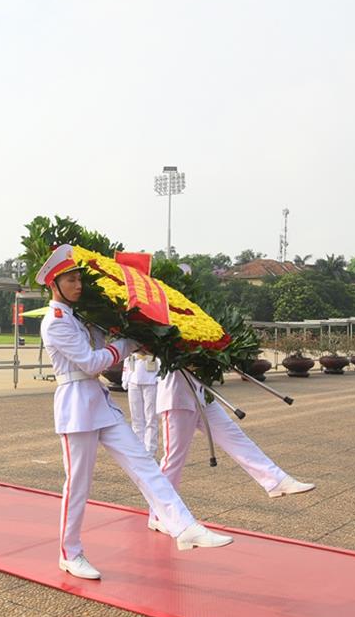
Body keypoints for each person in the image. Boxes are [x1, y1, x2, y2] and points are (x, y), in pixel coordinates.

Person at [37, 245, 231, 581]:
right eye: (70, 280)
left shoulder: (80, 316)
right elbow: (92, 362)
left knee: (143, 463)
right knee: (78, 485)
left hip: (99, 403)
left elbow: (102, 345)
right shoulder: (55, 323)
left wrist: (129, 327)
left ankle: (184, 525)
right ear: (54, 285)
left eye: (79, 278)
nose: (78, 285)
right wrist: (127, 343)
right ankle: (70, 552)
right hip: (75, 406)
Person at [151, 369, 314, 532]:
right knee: (174, 460)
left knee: (235, 437)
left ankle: (276, 480)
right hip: (178, 398)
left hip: (202, 395)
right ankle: (158, 516)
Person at [121, 351, 159, 454]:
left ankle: (150, 451)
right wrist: (125, 377)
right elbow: (128, 357)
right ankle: (139, 450)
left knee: (151, 418)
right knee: (136, 419)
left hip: (151, 379)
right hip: (133, 378)